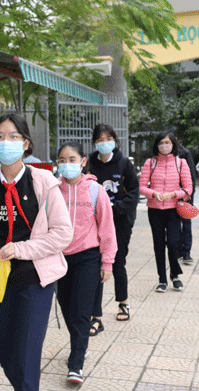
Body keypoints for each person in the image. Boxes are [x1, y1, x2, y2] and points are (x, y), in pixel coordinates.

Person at [0, 113, 73, 391]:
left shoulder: (44, 181)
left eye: (14, 136)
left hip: (34, 280)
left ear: (26, 143)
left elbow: (63, 233)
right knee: (4, 349)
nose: (6, 142)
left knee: (26, 355)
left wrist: (20, 249)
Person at [56, 141, 117, 385]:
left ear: (82, 161)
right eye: (62, 160)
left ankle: (76, 364)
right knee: (66, 306)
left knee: (81, 311)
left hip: (88, 257)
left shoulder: (95, 191)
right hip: (59, 258)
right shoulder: (52, 190)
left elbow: (107, 228)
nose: (67, 164)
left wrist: (108, 262)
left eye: (72, 159)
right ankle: (81, 343)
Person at [86, 124, 139, 333]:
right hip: (94, 222)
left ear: (115, 140)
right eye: (100, 139)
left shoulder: (124, 163)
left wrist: (115, 208)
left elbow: (134, 193)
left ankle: (123, 302)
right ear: (94, 142)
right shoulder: (89, 164)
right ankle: (95, 315)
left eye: (108, 138)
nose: (104, 142)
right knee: (96, 264)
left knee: (117, 262)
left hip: (120, 221)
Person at [139, 131, 193, 293]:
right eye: (161, 143)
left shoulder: (181, 163)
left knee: (173, 243)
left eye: (167, 143)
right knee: (158, 245)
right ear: (157, 145)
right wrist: (153, 193)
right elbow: (142, 187)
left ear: (173, 145)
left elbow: (188, 188)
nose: (164, 146)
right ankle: (162, 279)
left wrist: (173, 194)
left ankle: (175, 275)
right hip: (154, 210)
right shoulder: (150, 163)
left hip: (173, 210)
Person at [176, 140, 196, 265]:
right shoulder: (163, 155)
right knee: (173, 222)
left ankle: (186, 252)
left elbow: (192, 174)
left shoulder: (185, 153)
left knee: (186, 222)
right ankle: (176, 249)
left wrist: (188, 194)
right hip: (171, 194)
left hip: (185, 193)